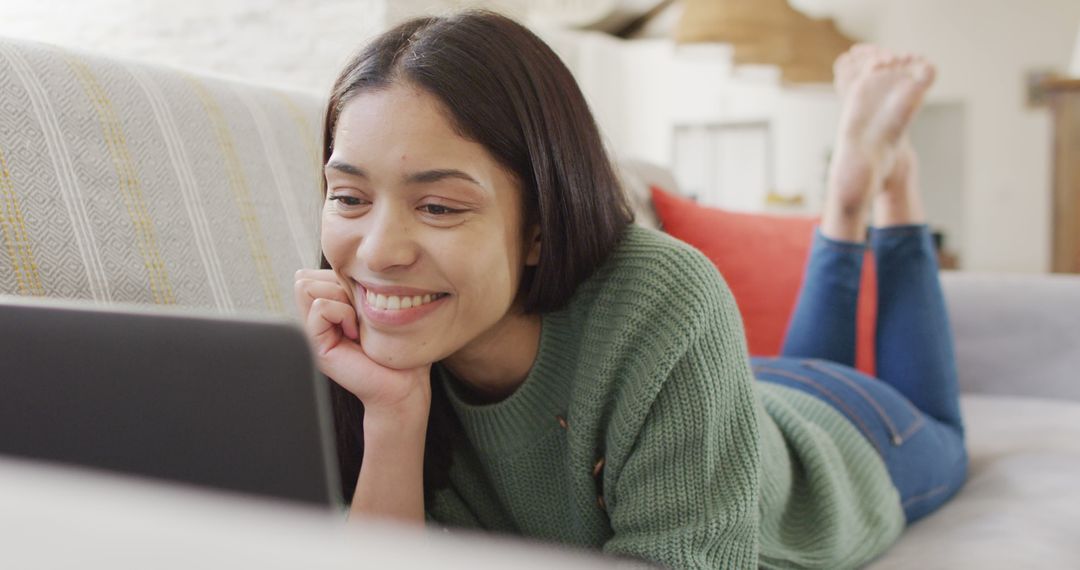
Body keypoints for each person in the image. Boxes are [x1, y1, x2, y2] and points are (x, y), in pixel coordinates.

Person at [293, 11, 967, 569]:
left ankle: (880, 193)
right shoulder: (365, 349)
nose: (377, 251)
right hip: (741, 394)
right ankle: (846, 207)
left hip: (846, 436)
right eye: (348, 196)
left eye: (438, 206)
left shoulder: (662, 296)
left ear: (539, 225)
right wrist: (392, 414)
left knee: (946, 430)